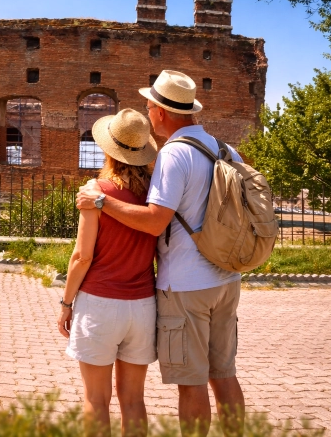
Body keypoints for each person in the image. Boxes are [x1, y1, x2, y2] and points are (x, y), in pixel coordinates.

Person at [75, 70, 245, 437]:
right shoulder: (225, 150)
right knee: (224, 374)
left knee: (192, 381)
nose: (148, 113)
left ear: (162, 112)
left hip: (187, 284)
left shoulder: (174, 153)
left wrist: (102, 201)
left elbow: (155, 222)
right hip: (227, 277)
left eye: (150, 107)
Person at [57, 108, 158, 437]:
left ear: (108, 149)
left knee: (96, 399)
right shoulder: (155, 195)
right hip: (143, 306)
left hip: (99, 304)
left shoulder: (96, 192)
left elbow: (82, 256)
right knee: (134, 400)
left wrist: (66, 303)